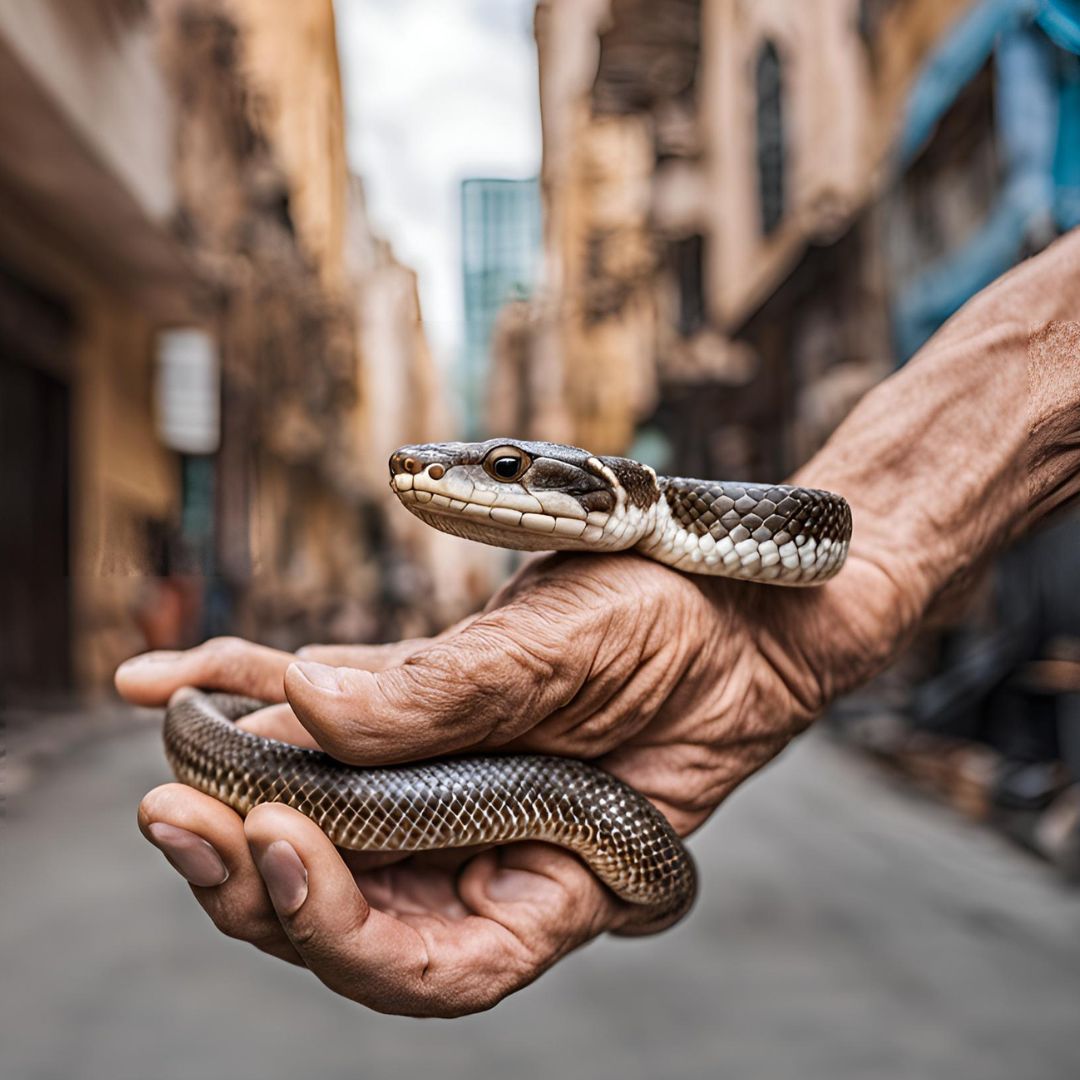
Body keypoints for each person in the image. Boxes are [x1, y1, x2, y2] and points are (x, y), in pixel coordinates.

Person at [116, 229, 1080, 1017]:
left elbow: (843, 547)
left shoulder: (741, 520)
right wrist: (762, 659)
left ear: (611, 491)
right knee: (230, 743)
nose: (434, 471)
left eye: (503, 470)